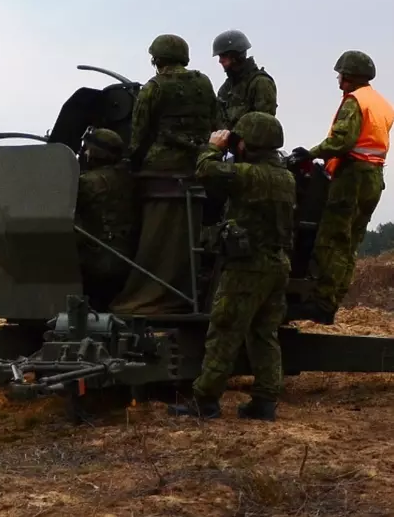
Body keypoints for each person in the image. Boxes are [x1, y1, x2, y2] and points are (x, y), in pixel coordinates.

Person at [168, 112, 295, 421]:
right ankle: (264, 401)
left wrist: (212, 146)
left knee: (224, 330)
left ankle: (205, 400)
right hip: (277, 264)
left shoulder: (250, 175)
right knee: (264, 333)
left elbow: (206, 172)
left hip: (247, 267)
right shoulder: (285, 177)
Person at [111, 34, 220, 315]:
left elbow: (139, 135)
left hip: (161, 173)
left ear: (157, 59)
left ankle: (151, 292)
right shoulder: (204, 83)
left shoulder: (154, 87)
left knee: (154, 236)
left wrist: (127, 164)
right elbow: (216, 122)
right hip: (197, 168)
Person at [290, 50, 394, 325]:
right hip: (374, 177)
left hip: (352, 177)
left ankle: (320, 304)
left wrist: (309, 154)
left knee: (332, 240)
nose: (338, 80)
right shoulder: (381, 103)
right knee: (350, 244)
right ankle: (332, 301)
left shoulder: (354, 101)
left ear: (350, 76)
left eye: (341, 75)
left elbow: (341, 142)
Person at [74, 127, 138, 311]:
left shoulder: (87, 183)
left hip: (98, 262)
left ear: (94, 153)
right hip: (128, 258)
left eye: (86, 148)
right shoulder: (129, 178)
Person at [212, 29, 278, 129]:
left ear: (235, 55)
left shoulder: (260, 82)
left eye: (223, 55)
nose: (220, 61)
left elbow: (264, 126)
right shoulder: (226, 88)